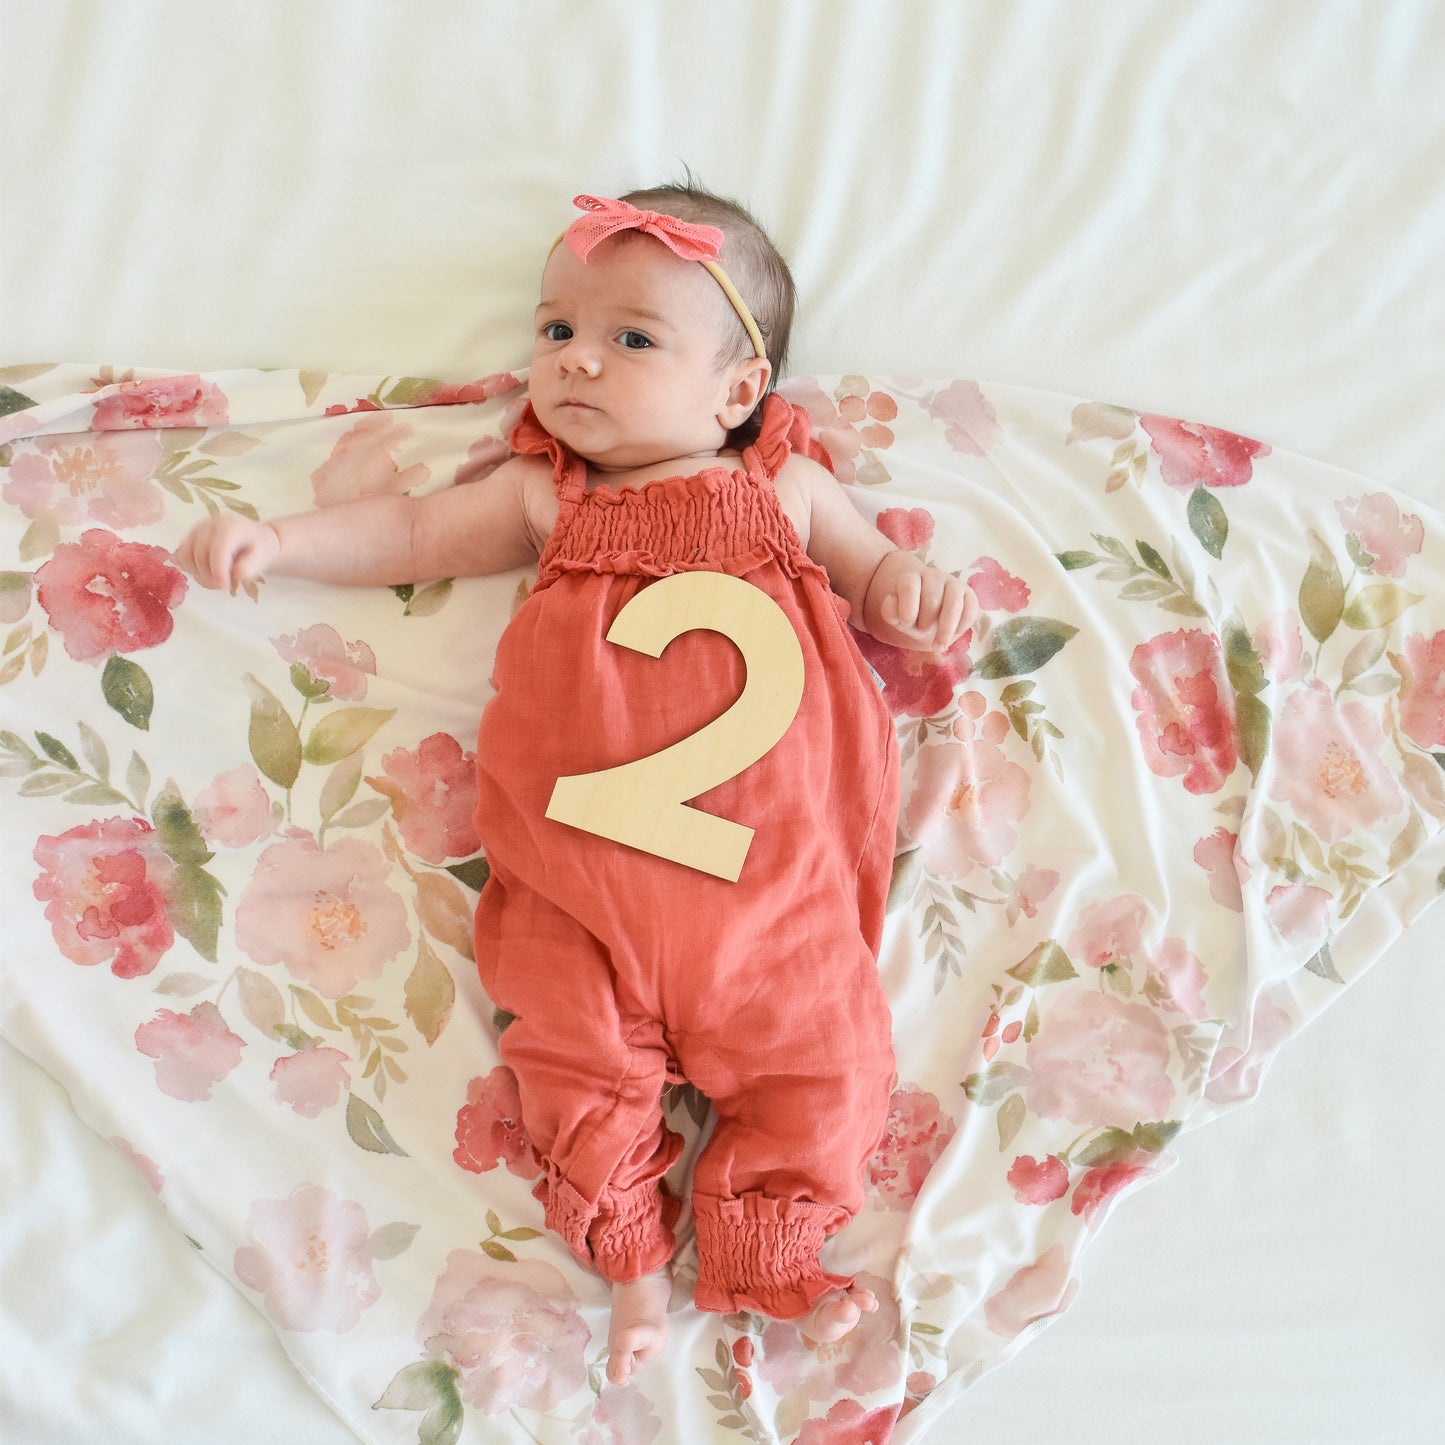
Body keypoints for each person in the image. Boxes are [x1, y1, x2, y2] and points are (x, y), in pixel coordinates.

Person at [175, 184, 976, 1386]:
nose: (573, 360)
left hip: (770, 898)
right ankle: (633, 1269)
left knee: (825, 1064)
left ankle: (773, 1254)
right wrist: (282, 543)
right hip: (574, 882)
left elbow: (873, 574)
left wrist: (904, 587)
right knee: (567, 1060)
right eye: (555, 330)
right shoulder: (547, 496)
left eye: (629, 338)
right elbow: (407, 533)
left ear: (737, 393)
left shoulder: (784, 491)